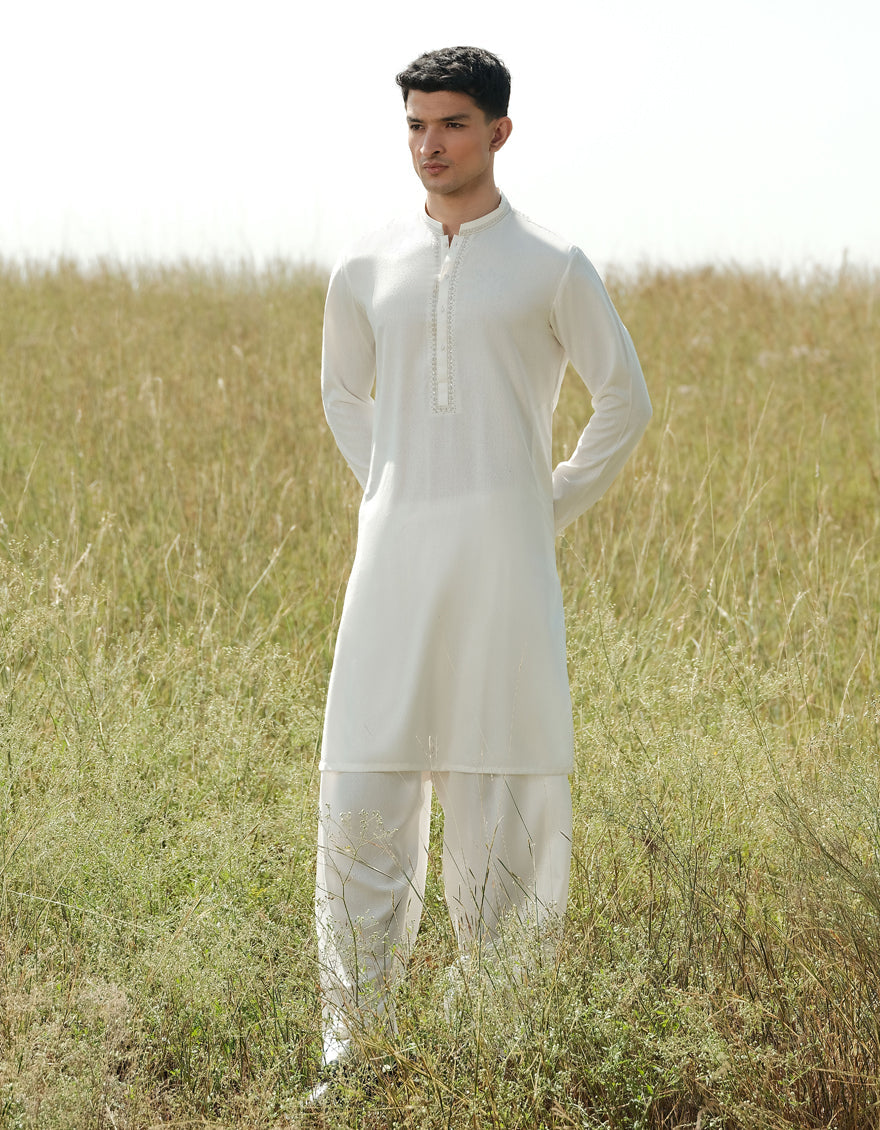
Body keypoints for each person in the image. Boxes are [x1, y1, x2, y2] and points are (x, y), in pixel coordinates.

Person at [315, 45, 651, 1074]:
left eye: (452, 124)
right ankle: (352, 1054)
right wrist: (396, 486)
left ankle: (498, 1051)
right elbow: (342, 392)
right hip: (390, 563)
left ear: (499, 131)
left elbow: (624, 400)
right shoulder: (365, 265)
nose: (431, 144)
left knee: (503, 788)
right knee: (364, 781)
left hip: (506, 567)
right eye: (417, 125)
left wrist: (541, 504)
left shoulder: (552, 262)